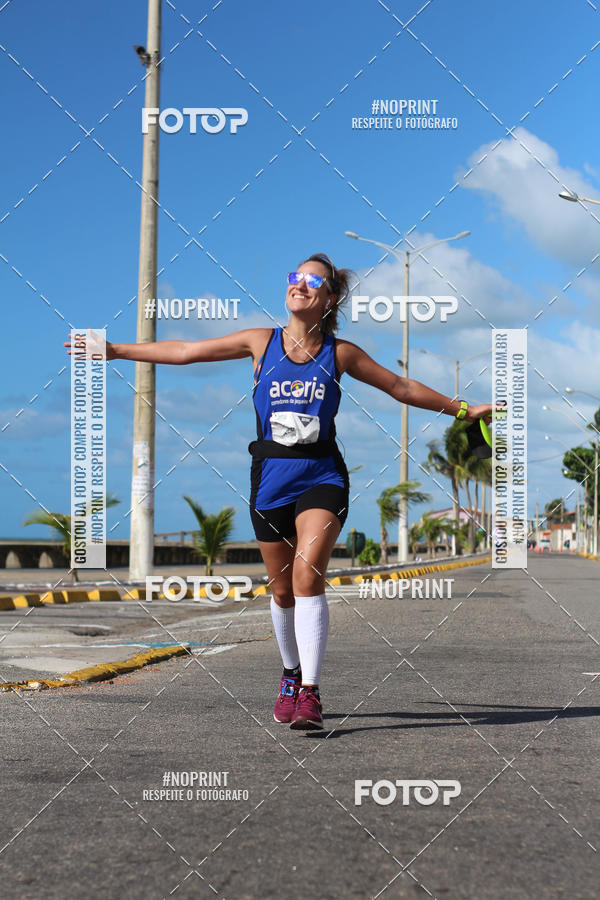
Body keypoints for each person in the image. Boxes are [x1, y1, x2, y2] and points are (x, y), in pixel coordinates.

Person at [66, 252, 492, 731]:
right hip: (269, 479)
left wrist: (461, 411)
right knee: (282, 588)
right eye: (296, 276)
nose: (301, 284)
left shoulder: (340, 353)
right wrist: (117, 351)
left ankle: (309, 692)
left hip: (322, 477)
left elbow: (400, 387)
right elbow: (187, 352)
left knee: (309, 576)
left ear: (329, 297)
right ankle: (290, 674)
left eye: (314, 280)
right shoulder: (259, 342)